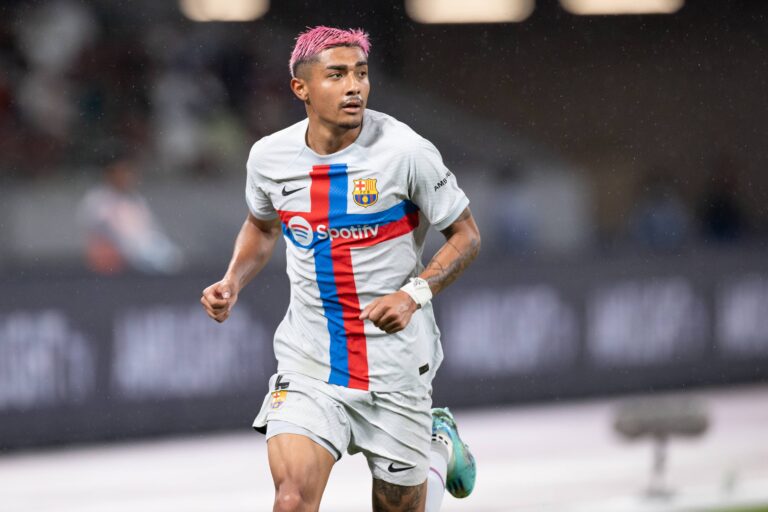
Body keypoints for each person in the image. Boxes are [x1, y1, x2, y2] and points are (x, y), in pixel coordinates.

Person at [200, 27, 480, 512]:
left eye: (361, 73)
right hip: (310, 362)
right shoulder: (269, 158)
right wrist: (232, 280)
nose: (354, 86)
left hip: (394, 366)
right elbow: (261, 227)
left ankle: (436, 450)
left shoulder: (405, 151)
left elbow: (466, 235)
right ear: (300, 88)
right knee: (291, 501)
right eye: (337, 75)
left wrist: (413, 295)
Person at [77, 156, 183, 275]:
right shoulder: (97, 199)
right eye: (121, 174)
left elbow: (149, 229)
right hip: (117, 250)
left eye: (127, 174)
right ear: (110, 175)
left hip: (143, 248)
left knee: (170, 257)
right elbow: (93, 232)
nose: (126, 178)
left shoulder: (136, 200)